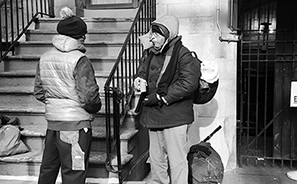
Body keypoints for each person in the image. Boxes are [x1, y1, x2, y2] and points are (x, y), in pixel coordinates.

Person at [34, 7, 102, 184]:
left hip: (53, 127)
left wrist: (57, 104)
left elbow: (39, 92)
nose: (85, 38)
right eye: (83, 35)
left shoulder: (44, 57)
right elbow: (89, 97)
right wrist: (94, 108)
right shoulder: (80, 60)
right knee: (74, 173)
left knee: (47, 172)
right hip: (75, 128)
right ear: (80, 37)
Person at [134, 15, 201, 184]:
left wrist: (160, 97)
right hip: (154, 114)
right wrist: (139, 79)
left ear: (168, 35)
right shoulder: (150, 52)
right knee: (156, 162)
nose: (152, 38)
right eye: (152, 34)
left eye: (156, 35)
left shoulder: (183, 54)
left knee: (177, 161)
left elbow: (188, 83)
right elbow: (143, 71)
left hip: (175, 116)